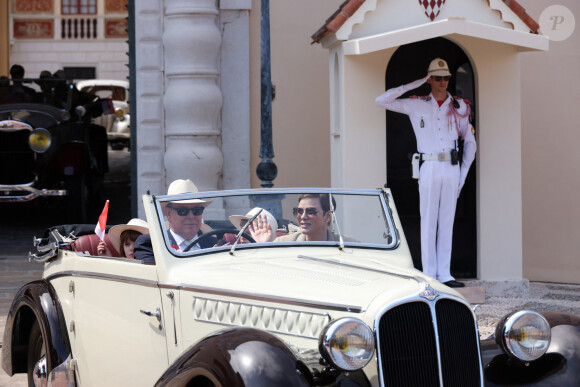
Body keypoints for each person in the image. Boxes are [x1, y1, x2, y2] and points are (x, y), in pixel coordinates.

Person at [375, 58, 476, 288]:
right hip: (429, 165)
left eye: (446, 77)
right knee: (429, 220)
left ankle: (445, 273)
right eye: (438, 78)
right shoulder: (416, 103)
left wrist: (462, 175)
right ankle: (430, 273)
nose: (443, 82)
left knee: (447, 220)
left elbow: (470, 143)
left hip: (451, 167)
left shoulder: (459, 107)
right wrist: (416, 83)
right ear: (430, 79)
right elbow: (381, 100)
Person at [134, 179, 216, 263]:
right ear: (168, 213)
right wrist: (210, 261)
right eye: (183, 211)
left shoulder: (218, 246)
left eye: (197, 210)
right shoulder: (151, 245)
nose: (191, 216)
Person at [252, 194, 357, 243]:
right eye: (299, 211)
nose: (302, 217)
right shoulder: (282, 244)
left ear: (327, 216)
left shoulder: (350, 246)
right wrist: (263, 247)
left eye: (310, 212)